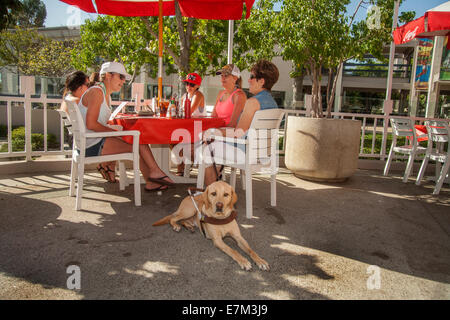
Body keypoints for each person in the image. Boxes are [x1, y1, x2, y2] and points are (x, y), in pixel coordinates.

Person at [78, 61, 174, 191]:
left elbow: (96, 123)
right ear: (108, 75)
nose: (123, 81)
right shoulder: (97, 92)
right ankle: (155, 174)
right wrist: (119, 134)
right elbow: (91, 124)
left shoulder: (103, 93)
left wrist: (117, 132)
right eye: (121, 77)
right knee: (138, 142)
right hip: (91, 144)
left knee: (138, 141)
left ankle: (154, 176)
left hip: (89, 141)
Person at [203, 59, 280, 186]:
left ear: (262, 81)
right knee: (214, 142)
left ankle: (208, 196)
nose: (248, 80)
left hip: (246, 153)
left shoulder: (253, 102)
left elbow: (237, 133)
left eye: (252, 77)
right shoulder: (274, 104)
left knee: (207, 148)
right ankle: (215, 189)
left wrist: (212, 132)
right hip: (263, 154)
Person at [60, 71, 117, 183]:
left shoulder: (68, 99)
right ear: (80, 87)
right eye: (88, 85)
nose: (90, 87)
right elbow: (90, 124)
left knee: (111, 134)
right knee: (116, 136)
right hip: (83, 141)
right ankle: (106, 166)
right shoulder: (76, 102)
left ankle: (106, 166)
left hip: (76, 140)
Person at [175, 73, 206, 176]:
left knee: (177, 139)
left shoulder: (198, 95)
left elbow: (189, 111)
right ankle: (182, 167)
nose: (188, 87)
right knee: (172, 139)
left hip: (199, 129)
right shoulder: (185, 96)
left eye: (192, 85)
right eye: (187, 84)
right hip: (188, 128)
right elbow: (179, 111)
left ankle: (182, 168)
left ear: (197, 86)